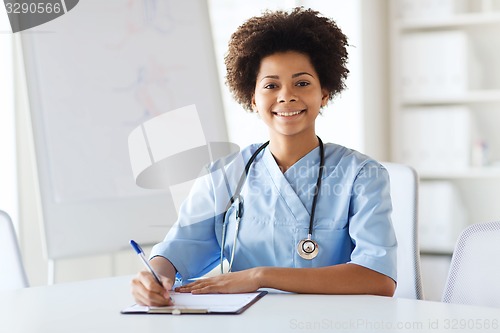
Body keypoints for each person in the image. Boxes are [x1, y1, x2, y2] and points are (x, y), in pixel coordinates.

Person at [131, 7, 397, 306]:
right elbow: (182, 243)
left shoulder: (362, 174)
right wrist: (155, 276)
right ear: (253, 99)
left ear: (324, 93)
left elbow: (378, 279)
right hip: (245, 320)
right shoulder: (224, 173)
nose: (286, 95)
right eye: (271, 85)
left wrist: (260, 276)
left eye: (302, 83)